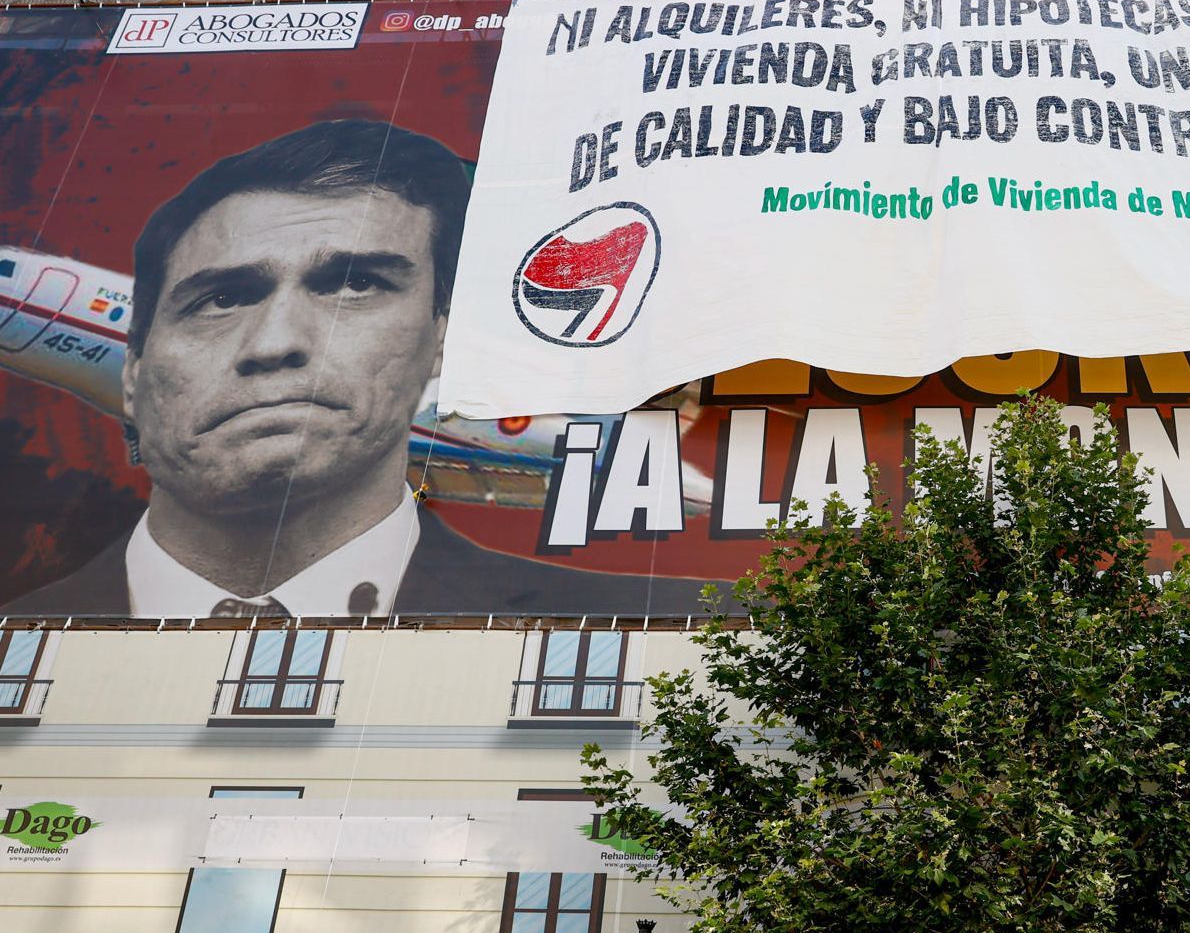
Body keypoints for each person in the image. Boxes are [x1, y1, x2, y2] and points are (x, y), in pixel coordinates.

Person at [11, 119, 702, 617]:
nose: (275, 342)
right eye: (222, 297)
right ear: (134, 366)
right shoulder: (25, 624)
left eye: (354, 286)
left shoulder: (652, 616)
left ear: (440, 338)